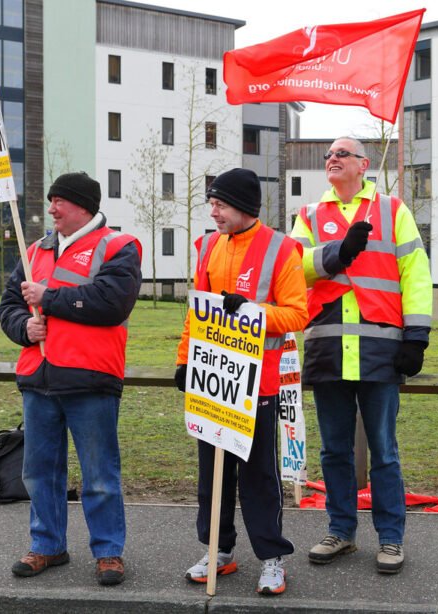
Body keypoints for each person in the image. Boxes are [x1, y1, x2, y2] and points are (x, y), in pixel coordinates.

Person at [290, 137, 433, 574]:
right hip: (329, 349)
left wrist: (417, 337)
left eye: (341, 154)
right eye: (329, 155)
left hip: (381, 350)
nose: (331, 159)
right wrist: (340, 252)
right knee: (334, 451)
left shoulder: (392, 210)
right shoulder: (310, 215)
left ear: (363, 165)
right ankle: (341, 531)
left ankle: (390, 539)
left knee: (384, 451)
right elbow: (292, 267)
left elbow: (416, 272)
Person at [0, 172, 142, 586]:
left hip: (91, 379)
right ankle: (47, 545)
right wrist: (24, 327)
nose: (52, 208)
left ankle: (109, 552)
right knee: (40, 473)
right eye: (51, 200)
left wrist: (49, 300)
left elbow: (111, 303)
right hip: (38, 379)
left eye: (59, 200)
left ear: (83, 206)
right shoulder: (36, 250)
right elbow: (9, 305)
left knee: (99, 474)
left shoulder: (118, 247)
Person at [174, 168, 308, 595]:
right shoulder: (209, 246)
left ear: (245, 207)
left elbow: (296, 315)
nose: (213, 212)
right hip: (213, 384)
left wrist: (251, 310)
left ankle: (272, 558)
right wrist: (184, 361)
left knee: (259, 479)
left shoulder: (281, 248)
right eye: (211, 204)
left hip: (258, 386)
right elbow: (196, 312)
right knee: (212, 476)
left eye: (220, 204)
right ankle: (218, 551)